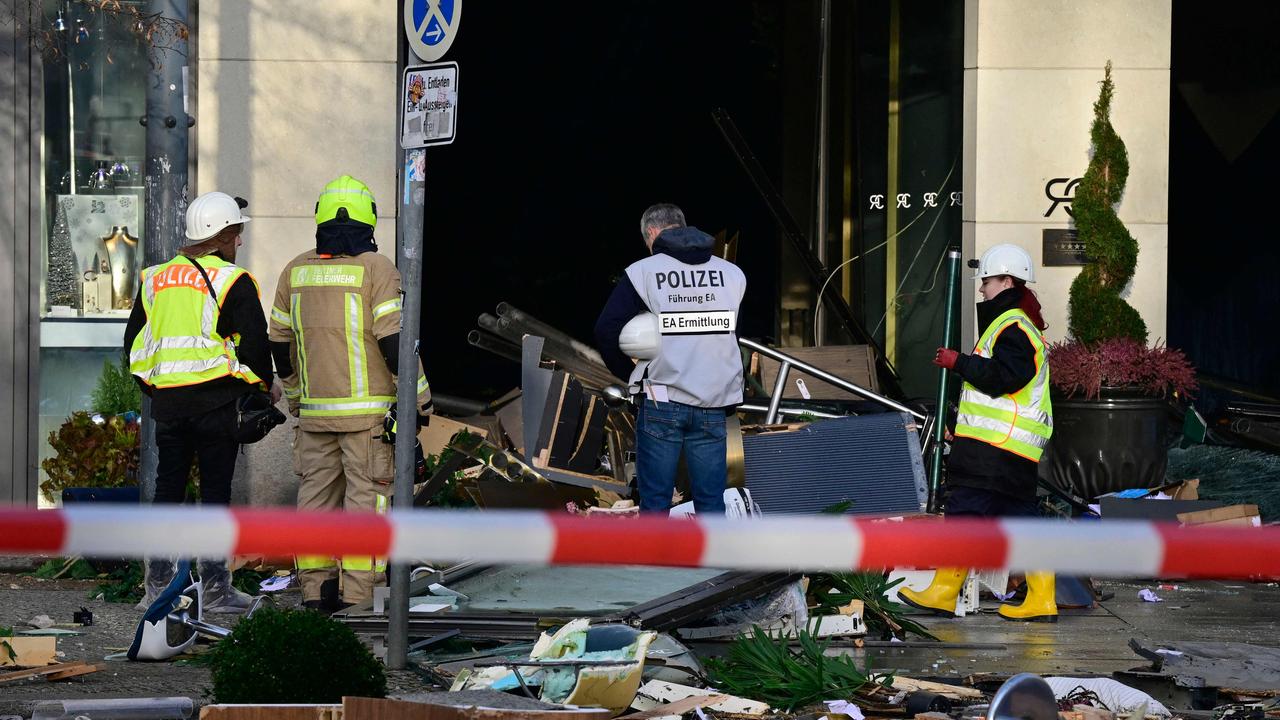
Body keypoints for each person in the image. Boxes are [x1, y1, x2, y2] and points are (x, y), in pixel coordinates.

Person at [268, 174, 433, 613]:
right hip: (369, 423)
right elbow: (397, 343)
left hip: (316, 417)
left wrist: (297, 396)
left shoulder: (295, 270)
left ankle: (314, 594)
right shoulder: (376, 269)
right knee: (366, 508)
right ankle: (358, 602)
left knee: (315, 506)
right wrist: (418, 400)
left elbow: (279, 344)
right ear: (368, 221)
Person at [125, 190, 279, 614]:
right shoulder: (234, 281)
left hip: (170, 408)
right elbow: (255, 353)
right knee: (214, 495)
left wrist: (156, 387)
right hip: (217, 406)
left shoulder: (153, 278)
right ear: (222, 236)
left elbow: (133, 345)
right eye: (237, 233)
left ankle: (157, 589)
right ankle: (215, 590)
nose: (240, 242)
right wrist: (262, 389)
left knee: (167, 492)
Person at [898, 243, 1056, 622]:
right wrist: (960, 426)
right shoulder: (1015, 326)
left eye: (986, 280)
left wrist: (959, 363)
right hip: (1008, 451)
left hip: (994, 450)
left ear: (1006, 280)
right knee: (1022, 519)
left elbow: (1002, 378)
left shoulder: (1012, 327)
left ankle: (943, 591)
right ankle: (1042, 599)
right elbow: (996, 393)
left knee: (966, 512)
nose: (982, 288)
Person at [594, 203, 746, 515]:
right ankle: (714, 562)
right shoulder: (732, 274)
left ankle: (657, 562)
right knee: (711, 504)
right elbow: (732, 338)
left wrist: (631, 374)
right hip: (713, 404)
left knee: (655, 505)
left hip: (662, 400)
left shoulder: (643, 272)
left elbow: (606, 330)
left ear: (652, 233)